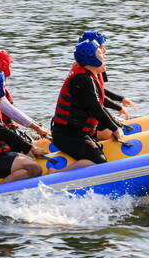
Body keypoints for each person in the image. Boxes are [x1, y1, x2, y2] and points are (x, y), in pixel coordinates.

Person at [51, 40, 124, 170]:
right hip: (68, 135)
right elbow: (95, 108)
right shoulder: (83, 80)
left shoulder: (87, 77)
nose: (104, 54)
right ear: (91, 58)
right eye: (100, 53)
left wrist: (114, 125)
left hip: (78, 133)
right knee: (98, 163)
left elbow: (98, 106)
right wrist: (115, 129)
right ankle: (56, 174)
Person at [0, 49, 50, 140]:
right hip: (5, 135)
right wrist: (37, 128)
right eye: (9, 64)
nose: (10, 67)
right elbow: (10, 111)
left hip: (8, 130)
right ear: (3, 65)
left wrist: (37, 125)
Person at [77, 30, 138, 120]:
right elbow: (95, 99)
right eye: (101, 47)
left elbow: (100, 91)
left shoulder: (97, 66)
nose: (105, 50)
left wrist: (121, 99)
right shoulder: (85, 74)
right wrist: (118, 107)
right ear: (91, 50)